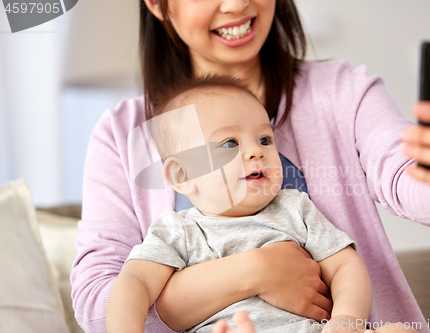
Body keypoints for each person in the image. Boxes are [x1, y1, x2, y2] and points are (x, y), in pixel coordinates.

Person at [70, 0, 430, 332]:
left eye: (263, 139)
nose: (237, 5)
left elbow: (404, 175)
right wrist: (256, 271)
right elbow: (98, 302)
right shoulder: (125, 137)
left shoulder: (342, 93)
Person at [106, 76, 372, 333]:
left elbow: (345, 266)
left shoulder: (295, 208)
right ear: (182, 175)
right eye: (230, 143)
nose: (257, 151)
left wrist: (347, 320)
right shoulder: (176, 231)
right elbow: (136, 282)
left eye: (265, 139)